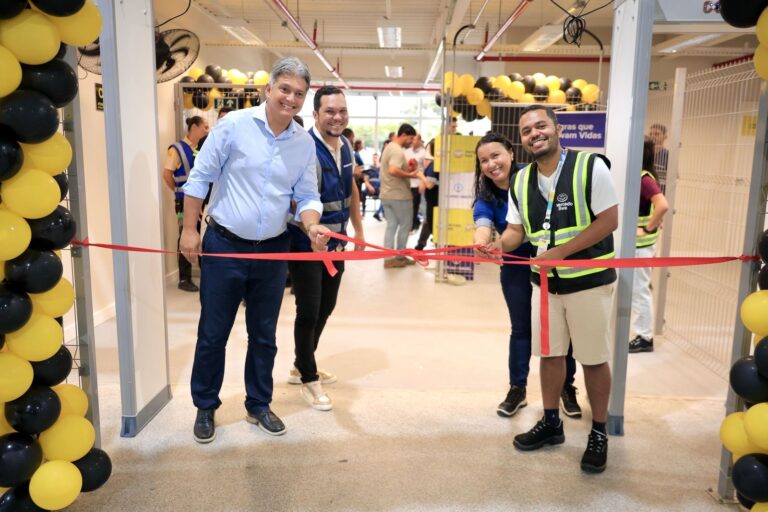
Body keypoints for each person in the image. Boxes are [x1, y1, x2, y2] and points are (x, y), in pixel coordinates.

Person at [180, 57, 330, 443]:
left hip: (272, 251)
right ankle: (205, 405)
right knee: (213, 332)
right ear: (269, 89)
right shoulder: (234, 126)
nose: (291, 98)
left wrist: (312, 224)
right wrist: (189, 230)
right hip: (225, 245)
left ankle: (259, 404)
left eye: (299, 93)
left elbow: (307, 196)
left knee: (264, 335)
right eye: (285, 89)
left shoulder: (303, 144)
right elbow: (199, 179)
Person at [500, 105, 618, 474]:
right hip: (546, 284)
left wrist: (562, 252)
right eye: (526, 131)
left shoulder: (590, 166)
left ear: (557, 128)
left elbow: (609, 220)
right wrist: (497, 245)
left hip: (588, 281)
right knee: (549, 355)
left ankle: (599, 432)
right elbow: (516, 231)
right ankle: (552, 423)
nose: (534, 134)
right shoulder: (520, 181)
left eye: (541, 126)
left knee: (592, 358)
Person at [472, 133, 581, 419]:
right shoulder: (486, 197)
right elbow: (483, 224)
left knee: (560, 329)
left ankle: (566, 387)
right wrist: (482, 242)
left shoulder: (534, 179)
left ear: (511, 152)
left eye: (496, 155)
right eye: (484, 160)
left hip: (552, 265)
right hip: (516, 267)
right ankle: (517, 389)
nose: (491, 164)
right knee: (521, 329)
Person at [286, 85, 365, 411]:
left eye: (342, 111)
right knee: (308, 310)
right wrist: (311, 230)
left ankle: (302, 362)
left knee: (326, 307)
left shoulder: (345, 145)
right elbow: (295, 200)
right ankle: (308, 377)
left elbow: (351, 190)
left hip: (337, 241)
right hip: (305, 243)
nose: (337, 117)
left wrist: (358, 231)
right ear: (316, 114)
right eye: (330, 111)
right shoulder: (304, 148)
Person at [629, 137, 669, 353]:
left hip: (641, 245)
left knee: (639, 290)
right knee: (637, 289)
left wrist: (647, 228)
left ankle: (644, 337)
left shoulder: (644, 179)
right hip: (636, 246)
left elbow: (662, 205)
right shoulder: (640, 176)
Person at [162, 115, 209, 292]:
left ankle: (207, 276)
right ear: (194, 127)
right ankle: (184, 278)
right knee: (185, 236)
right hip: (184, 201)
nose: (207, 130)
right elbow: (167, 174)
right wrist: (178, 191)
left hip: (203, 201)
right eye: (205, 127)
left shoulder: (201, 148)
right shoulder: (177, 149)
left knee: (203, 236)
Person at [379, 123, 419, 268]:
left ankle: (389, 258)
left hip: (386, 194)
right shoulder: (397, 151)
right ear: (403, 135)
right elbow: (393, 170)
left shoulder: (389, 147)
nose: (412, 142)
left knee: (391, 225)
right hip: (399, 195)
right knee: (405, 225)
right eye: (411, 138)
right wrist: (410, 175)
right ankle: (400, 256)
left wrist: (408, 168)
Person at [414, 138, 437, 251]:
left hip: (434, 202)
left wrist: (420, 175)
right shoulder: (434, 164)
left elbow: (429, 185)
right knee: (429, 222)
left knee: (431, 223)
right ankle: (420, 246)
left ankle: (420, 246)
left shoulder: (434, 164)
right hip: (431, 200)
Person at [405, 134, 427, 231]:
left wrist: (423, 181)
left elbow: (426, 168)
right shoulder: (406, 152)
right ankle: (413, 223)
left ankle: (412, 225)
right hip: (407, 182)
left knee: (415, 205)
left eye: (414, 139)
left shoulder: (424, 153)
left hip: (418, 183)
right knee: (407, 206)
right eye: (412, 139)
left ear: (419, 141)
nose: (412, 141)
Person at [648, 123, 669, 192]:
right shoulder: (643, 153)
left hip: (659, 193)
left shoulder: (668, 155)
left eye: (657, 134)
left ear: (665, 137)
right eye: (650, 134)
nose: (652, 137)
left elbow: (675, 177)